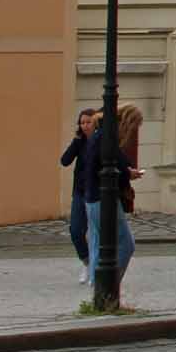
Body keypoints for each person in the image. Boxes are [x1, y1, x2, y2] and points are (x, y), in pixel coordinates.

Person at [79, 107, 135, 289]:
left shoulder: (99, 135)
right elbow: (112, 165)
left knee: (97, 243)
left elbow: (116, 161)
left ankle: (97, 286)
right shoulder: (106, 137)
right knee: (126, 243)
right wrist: (127, 173)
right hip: (103, 199)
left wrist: (126, 170)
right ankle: (107, 289)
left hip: (91, 197)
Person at [60, 109, 98, 278]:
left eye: (88, 122)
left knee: (98, 231)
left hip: (97, 193)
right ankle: (87, 262)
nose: (84, 126)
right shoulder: (80, 142)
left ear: (95, 123)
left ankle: (99, 268)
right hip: (80, 192)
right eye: (82, 123)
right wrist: (76, 141)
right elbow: (65, 161)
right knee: (76, 230)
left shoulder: (101, 141)